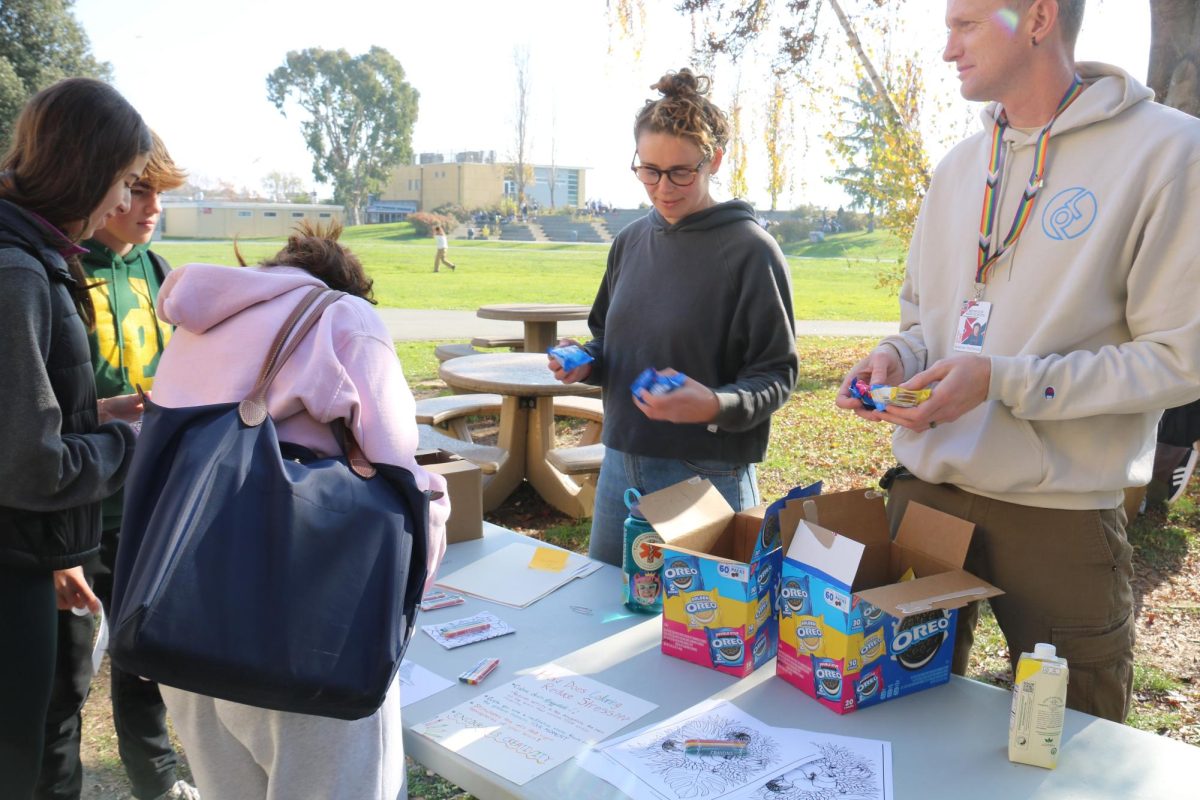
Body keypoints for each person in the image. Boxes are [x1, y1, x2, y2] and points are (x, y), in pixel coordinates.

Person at [834, 0, 1200, 723]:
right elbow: (925, 324)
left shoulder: (1169, 152)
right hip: (927, 495)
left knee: (1070, 747)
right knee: (902, 721)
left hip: (1055, 516)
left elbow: (1179, 359)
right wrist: (893, 356)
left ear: (1037, 19)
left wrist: (1005, 382)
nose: (947, 49)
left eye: (965, 24)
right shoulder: (959, 167)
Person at [146, 221, 450, 799]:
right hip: (300, 630)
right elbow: (402, 482)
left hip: (183, 620)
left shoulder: (198, 321)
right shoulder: (345, 317)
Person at [549, 68, 798, 566]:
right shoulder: (629, 241)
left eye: (681, 171)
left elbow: (777, 375)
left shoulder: (750, 251)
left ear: (715, 161)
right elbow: (607, 340)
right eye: (649, 170)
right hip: (620, 462)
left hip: (707, 474)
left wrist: (712, 404)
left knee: (704, 635)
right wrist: (586, 362)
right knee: (608, 615)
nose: (663, 187)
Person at [0, 77, 149, 799]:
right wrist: (138, 443)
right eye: (123, 182)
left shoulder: (30, 254)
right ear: (87, 171)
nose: (125, 204)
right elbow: (32, 466)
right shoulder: (17, 272)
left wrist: (103, 413)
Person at [36, 133, 197, 800]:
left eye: (160, 190)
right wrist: (100, 412)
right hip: (75, 506)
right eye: (137, 187)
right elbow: (34, 407)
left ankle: (156, 780)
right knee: (65, 680)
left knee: (146, 662)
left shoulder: (158, 271)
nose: (150, 203)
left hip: (149, 502)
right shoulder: (56, 269)